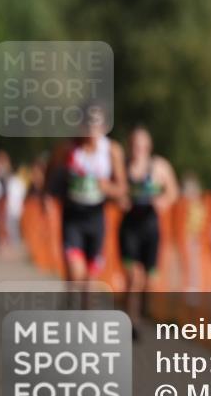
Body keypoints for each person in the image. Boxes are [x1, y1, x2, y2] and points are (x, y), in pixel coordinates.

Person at [119, 125, 179, 338]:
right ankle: (131, 320)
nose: (138, 149)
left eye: (142, 145)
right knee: (133, 275)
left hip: (151, 227)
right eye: (135, 145)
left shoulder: (159, 167)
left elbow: (173, 191)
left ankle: (141, 312)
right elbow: (111, 187)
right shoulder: (122, 166)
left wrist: (163, 201)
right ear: (130, 146)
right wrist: (120, 198)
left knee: (148, 280)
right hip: (129, 227)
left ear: (148, 146)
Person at [57, 104, 127, 287]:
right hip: (73, 216)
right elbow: (52, 177)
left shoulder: (112, 150)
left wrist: (106, 187)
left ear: (104, 125)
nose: (91, 127)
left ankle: (83, 314)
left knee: (89, 280)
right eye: (87, 122)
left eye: (96, 122)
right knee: (75, 273)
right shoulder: (69, 149)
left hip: (96, 217)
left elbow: (121, 188)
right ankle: (71, 310)